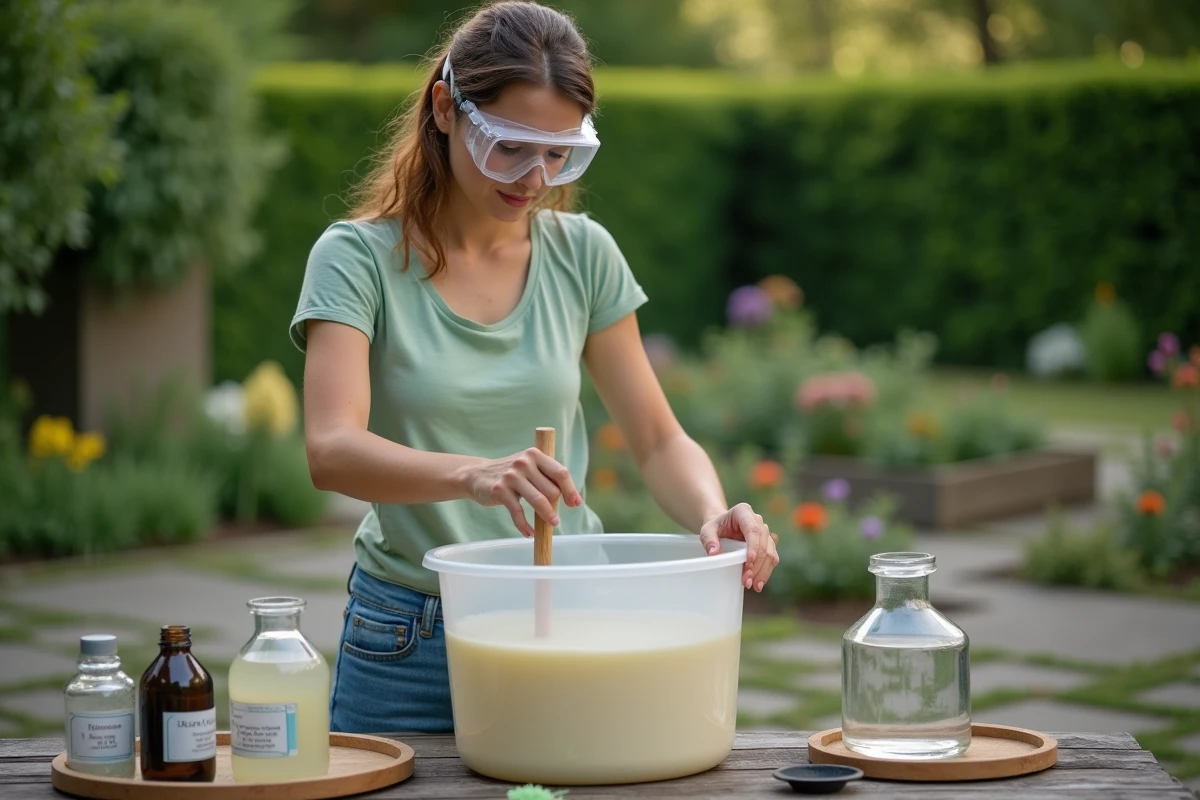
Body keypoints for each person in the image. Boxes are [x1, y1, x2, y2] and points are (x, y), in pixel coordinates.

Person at [289, 0, 779, 735]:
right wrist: (476, 473)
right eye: (511, 147)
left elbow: (656, 437)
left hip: (571, 612)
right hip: (409, 634)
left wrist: (714, 515)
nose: (535, 177)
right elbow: (330, 450)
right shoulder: (356, 260)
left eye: (559, 153)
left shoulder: (584, 255)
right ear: (446, 110)